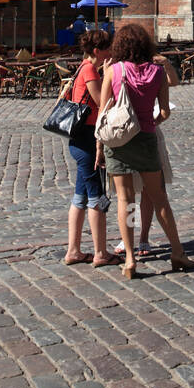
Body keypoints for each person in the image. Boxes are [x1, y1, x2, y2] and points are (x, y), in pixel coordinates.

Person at [95, 24, 194, 279]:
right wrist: (149, 123)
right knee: (159, 198)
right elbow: (165, 112)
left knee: (125, 201)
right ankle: (177, 252)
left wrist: (99, 146)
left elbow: (103, 112)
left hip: (118, 142)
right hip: (146, 140)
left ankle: (129, 259)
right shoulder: (158, 73)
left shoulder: (114, 71)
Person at [64, 30, 119, 268]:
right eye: (108, 49)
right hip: (87, 140)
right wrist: (108, 76)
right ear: (98, 51)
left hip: (79, 138)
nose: (111, 53)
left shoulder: (85, 67)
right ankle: (100, 252)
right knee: (96, 197)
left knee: (80, 197)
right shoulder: (89, 69)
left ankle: (74, 250)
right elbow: (102, 102)